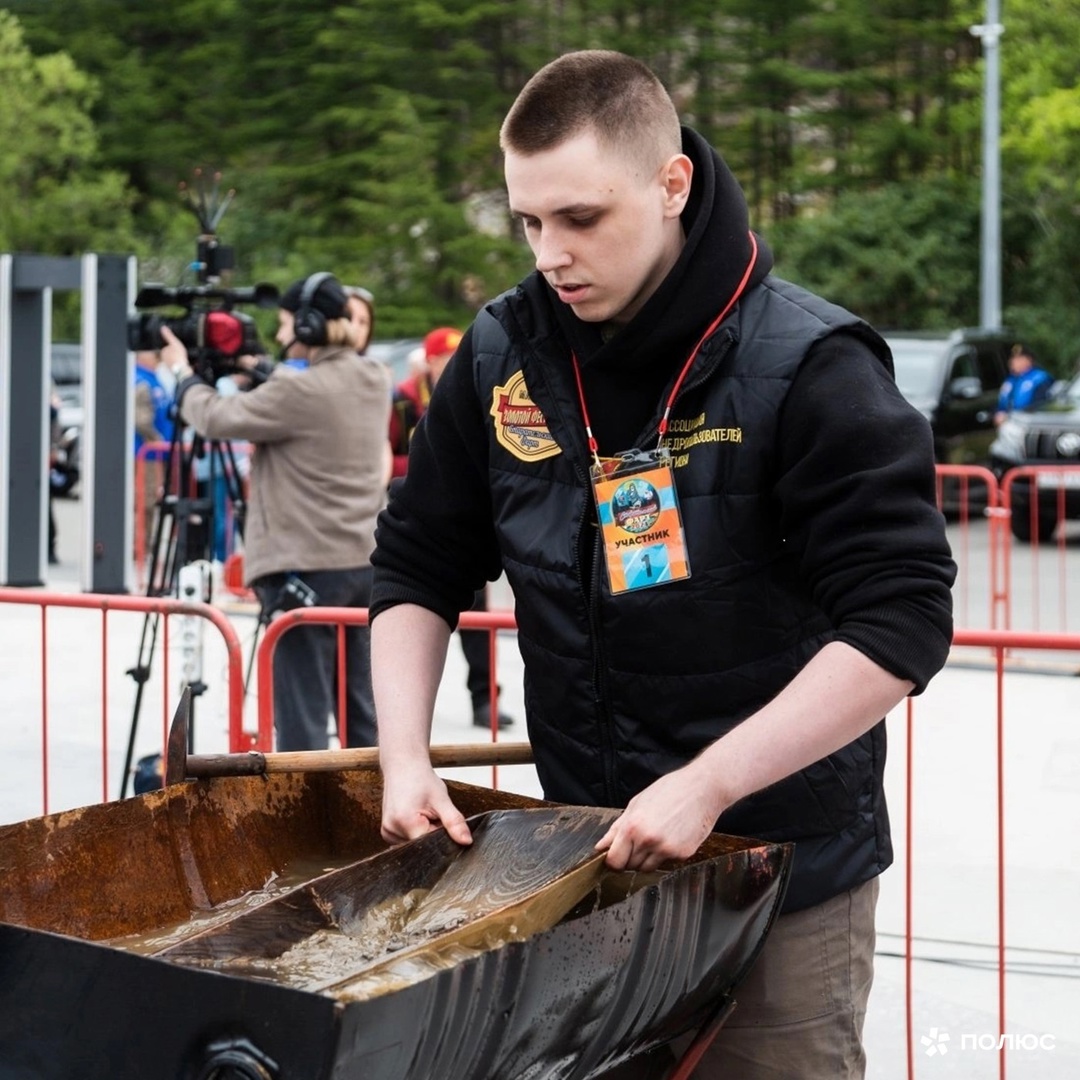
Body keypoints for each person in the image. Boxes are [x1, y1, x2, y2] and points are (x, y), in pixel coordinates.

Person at [369, 51, 956, 1078]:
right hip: (592, 872)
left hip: (780, 880)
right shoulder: (504, 351)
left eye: (582, 219)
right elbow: (418, 561)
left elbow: (900, 620)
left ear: (671, 183)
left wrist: (712, 785)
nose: (552, 253)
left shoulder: (813, 363)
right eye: (529, 223)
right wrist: (404, 758)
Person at [162, 272, 392, 751]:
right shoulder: (373, 377)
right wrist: (263, 370)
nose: (282, 335)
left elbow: (216, 417)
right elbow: (315, 396)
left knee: (301, 718)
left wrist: (183, 376)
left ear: (308, 326)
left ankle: (305, 822)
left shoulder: (295, 393)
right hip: (361, 567)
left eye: (287, 325)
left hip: (303, 571)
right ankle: (373, 815)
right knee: (360, 714)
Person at [388, 326, 515, 730]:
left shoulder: (477, 390)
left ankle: (486, 700)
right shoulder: (403, 401)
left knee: (480, 624)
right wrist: (431, 470)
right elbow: (381, 457)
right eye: (444, 357)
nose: (451, 363)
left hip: (472, 521)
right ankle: (404, 720)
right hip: (418, 520)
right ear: (429, 361)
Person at [994, 343, 1054, 425]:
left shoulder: (1040, 378)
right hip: (1009, 424)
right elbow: (1002, 403)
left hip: (1031, 422)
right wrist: (999, 413)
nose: (1013, 362)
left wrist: (1011, 416)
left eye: (1018, 359)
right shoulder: (1010, 381)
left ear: (1028, 360)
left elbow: (1044, 403)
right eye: (1012, 359)